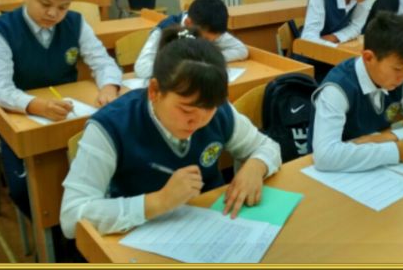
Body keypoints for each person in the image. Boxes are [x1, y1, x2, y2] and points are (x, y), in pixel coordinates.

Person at [60, 27, 282, 238]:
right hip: (139, 235)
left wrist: (256, 165)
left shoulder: (219, 109)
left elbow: (266, 146)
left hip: (212, 225)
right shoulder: (111, 125)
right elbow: (71, 217)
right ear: (155, 91)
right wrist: (158, 201)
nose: (199, 120)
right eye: (186, 110)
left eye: (209, 108)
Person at [0, 0, 123, 218]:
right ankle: (55, 233)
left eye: (63, 7)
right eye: (45, 4)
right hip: (22, 118)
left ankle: (80, 225)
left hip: (69, 113)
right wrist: (36, 105)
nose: (53, 14)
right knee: (26, 191)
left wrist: (109, 87)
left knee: (97, 172)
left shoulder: (75, 22)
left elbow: (102, 61)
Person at [308, 11, 403, 172]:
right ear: (368, 58)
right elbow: (325, 156)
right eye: (397, 69)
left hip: (371, 168)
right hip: (332, 174)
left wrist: (390, 138)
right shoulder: (337, 89)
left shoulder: (400, 82)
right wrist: (397, 151)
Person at [299, 0, 387, 81]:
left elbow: (356, 27)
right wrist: (339, 51)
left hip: (335, 58)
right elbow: (308, 38)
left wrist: (335, 37)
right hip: (311, 60)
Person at [134, 0, 248, 79]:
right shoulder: (164, 30)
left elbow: (241, 50)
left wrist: (210, 58)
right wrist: (183, 65)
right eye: (206, 40)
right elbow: (142, 69)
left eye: (213, 40)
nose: (208, 43)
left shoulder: (212, 28)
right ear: (188, 23)